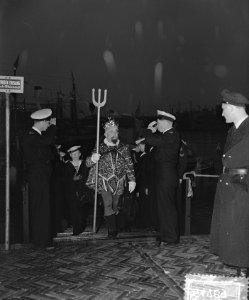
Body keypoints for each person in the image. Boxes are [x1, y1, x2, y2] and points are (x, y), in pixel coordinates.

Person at [210, 89, 249, 277]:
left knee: (242, 231)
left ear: (233, 108)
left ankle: (244, 272)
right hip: (229, 187)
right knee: (233, 231)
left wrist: (244, 183)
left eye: (224, 108)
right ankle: (241, 270)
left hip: (242, 188)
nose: (222, 112)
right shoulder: (233, 130)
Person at [86, 118, 136, 237]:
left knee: (115, 204)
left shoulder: (123, 147)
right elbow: (88, 163)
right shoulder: (99, 147)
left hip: (119, 180)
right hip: (104, 180)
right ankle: (112, 230)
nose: (114, 134)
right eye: (111, 132)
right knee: (107, 203)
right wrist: (93, 158)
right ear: (105, 134)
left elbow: (129, 163)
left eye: (116, 131)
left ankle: (114, 222)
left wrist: (132, 180)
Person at [139, 110, 181, 246]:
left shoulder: (171, 135)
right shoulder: (165, 136)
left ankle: (171, 238)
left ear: (166, 122)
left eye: (158, 122)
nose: (157, 125)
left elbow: (150, 139)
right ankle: (165, 235)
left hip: (167, 176)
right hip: (163, 176)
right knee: (163, 207)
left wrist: (148, 131)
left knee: (167, 208)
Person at [22, 108, 56, 248]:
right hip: (37, 177)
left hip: (41, 176)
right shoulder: (31, 136)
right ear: (42, 122)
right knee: (40, 208)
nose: (48, 124)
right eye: (48, 122)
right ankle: (41, 241)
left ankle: (43, 239)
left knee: (43, 207)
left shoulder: (37, 136)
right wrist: (54, 127)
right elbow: (48, 141)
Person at [64, 145, 92, 236]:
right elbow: (64, 178)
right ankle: (76, 229)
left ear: (80, 154)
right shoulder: (67, 165)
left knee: (82, 210)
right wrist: (72, 179)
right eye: (73, 154)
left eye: (76, 153)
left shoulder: (84, 164)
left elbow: (88, 175)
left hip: (83, 191)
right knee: (74, 210)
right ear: (70, 155)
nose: (75, 155)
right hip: (71, 191)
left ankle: (81, 226)